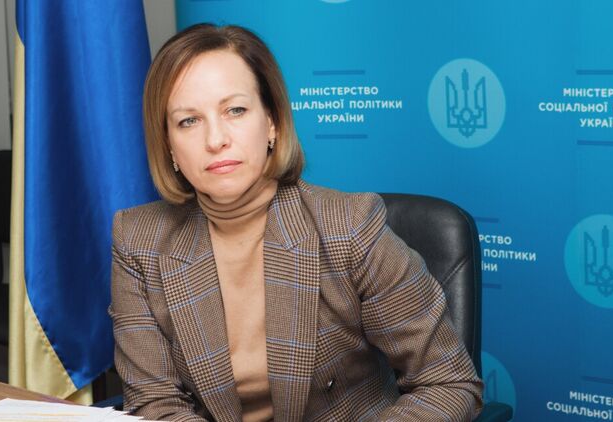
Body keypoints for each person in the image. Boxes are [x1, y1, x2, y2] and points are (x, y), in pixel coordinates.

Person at [110, 23, 483, 421]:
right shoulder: (137, 240)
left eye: (235, 110)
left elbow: (449, 382)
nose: (215, 140)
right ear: (169, 145)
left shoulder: (349, 226)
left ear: (271, 122)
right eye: (188, 120)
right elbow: (156, 403)